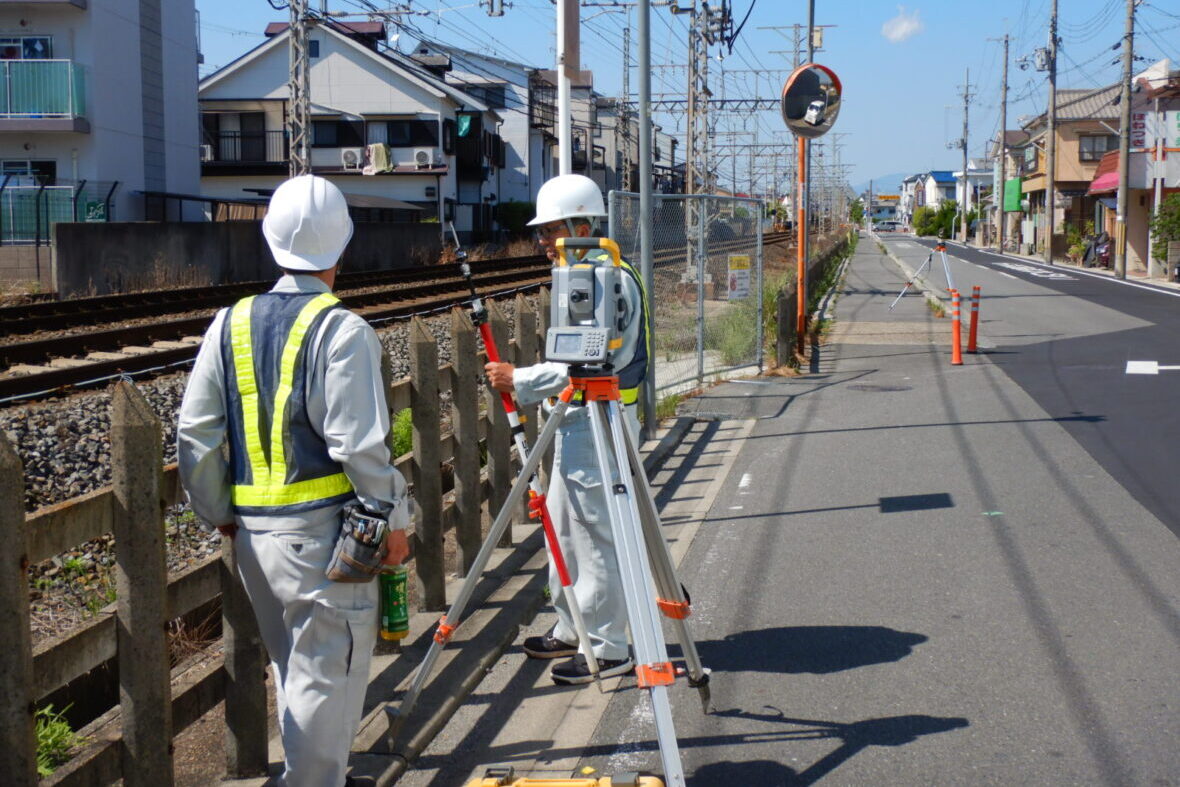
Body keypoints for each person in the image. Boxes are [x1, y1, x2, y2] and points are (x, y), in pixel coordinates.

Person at [177, 175, 410, 787]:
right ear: (342, 249)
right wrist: (395, 523)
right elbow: (359, 450)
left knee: (293, 671)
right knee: (324, 681)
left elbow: (195, 436)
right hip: (325, 542)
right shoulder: (344, 331)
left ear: (270, 240)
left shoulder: (226, 323)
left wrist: (218, 509)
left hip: (254, 539)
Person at [484, 174, 650, 685]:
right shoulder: (582, 277)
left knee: (595, 534)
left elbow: (589, 361)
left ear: (581, 225)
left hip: (602, 418)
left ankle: (608, 645)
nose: (542, 242)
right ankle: (571, 625)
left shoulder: (607, 279)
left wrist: (521, 379)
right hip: (577, 419)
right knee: (562, 522)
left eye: (550, 230)